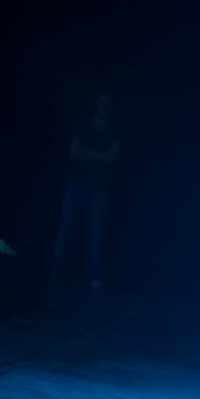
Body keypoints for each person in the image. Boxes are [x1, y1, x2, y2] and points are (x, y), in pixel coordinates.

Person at [52, 91, 120, 290]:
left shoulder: (114, 130)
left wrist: (87, 151)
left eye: (107, 102)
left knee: (96, 234)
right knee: (65, 230)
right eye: (100, 101)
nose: (103, 105)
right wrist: (99, 154)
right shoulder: (83, 125)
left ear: (111, 106)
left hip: (99, 189)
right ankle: (55, 272)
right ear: (95, 103)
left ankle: (94, 277)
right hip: (77, 184)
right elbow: (73, 153)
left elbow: (111, 158)